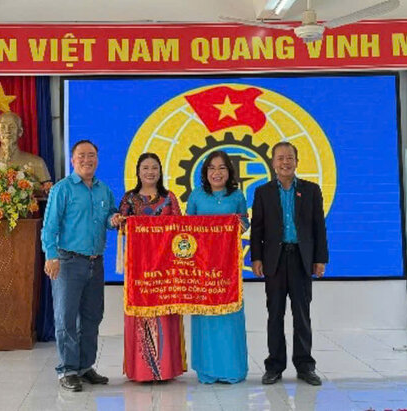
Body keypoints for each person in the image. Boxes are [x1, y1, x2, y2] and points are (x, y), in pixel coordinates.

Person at [41, 139, 120, 392]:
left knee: (91, 317)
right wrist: (50, 256)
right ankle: (68, 370)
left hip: (95, 264)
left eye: (92, 155)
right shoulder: (62, 189)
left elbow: (108, 218)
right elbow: (49, 227)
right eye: (82, 156)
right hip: (67, 262)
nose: (88, 160)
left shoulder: (103, 189)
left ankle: (85, 367)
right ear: (73, 160)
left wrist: (114, 219)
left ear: (97, 159)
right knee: (66, 318)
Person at [250, 141, 328, 386]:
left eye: (290, 158)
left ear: (297, 161)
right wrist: (256, 257)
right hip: (274, 260)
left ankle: (305, 366)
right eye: (280, 158)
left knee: (302, 315)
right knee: (275, 315)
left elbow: (319, 228)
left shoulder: (311, 190)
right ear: (273, 163)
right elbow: (258, 229)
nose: (285, 162)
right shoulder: (263, 192)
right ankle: (274, 366)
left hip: (302, 259)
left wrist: (320, 259)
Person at [117, 152, 187, 382]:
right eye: (145, 168)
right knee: (140, 315)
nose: (150, 172)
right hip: (138, 268)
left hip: (166, 268)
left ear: (160, 172)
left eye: (154, 168)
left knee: (165, 316)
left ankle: (166, 369)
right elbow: (120, 225)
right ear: (138, 172)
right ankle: (142, 370)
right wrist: (118, 221)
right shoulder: (129, 199)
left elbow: (180, 229)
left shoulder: (170, 199)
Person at [186, 150, 249, 384]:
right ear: (205, 172)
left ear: (229, 172)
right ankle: (207, 371)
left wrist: (234, 225)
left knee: (229, 316)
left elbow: (243, 223)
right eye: (212, 168)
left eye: (222, 168)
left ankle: (232, 369)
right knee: (205, 317)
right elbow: (187, 230)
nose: (217, 172)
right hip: (202, 269)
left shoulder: (237, 197)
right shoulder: (196, 196)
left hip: (228, 268)